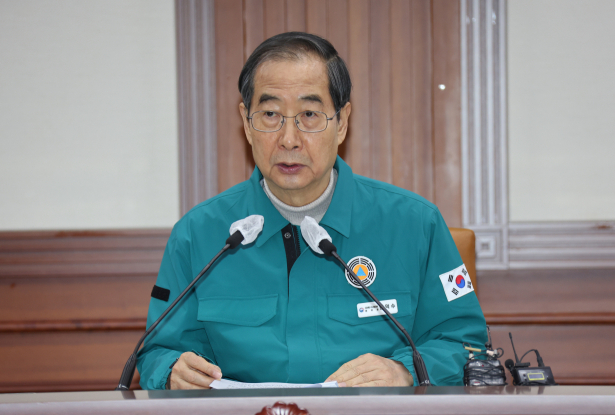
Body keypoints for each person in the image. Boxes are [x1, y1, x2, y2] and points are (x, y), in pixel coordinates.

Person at [137, 32, 487, 390]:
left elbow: (467, 343)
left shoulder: (416, 225)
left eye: (309, 114)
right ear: (246, 122)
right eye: (270, 114)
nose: (289, 139)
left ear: (342, 121)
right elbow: (156, 352)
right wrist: (171, 370)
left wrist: (405, 371)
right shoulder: (198, 235)